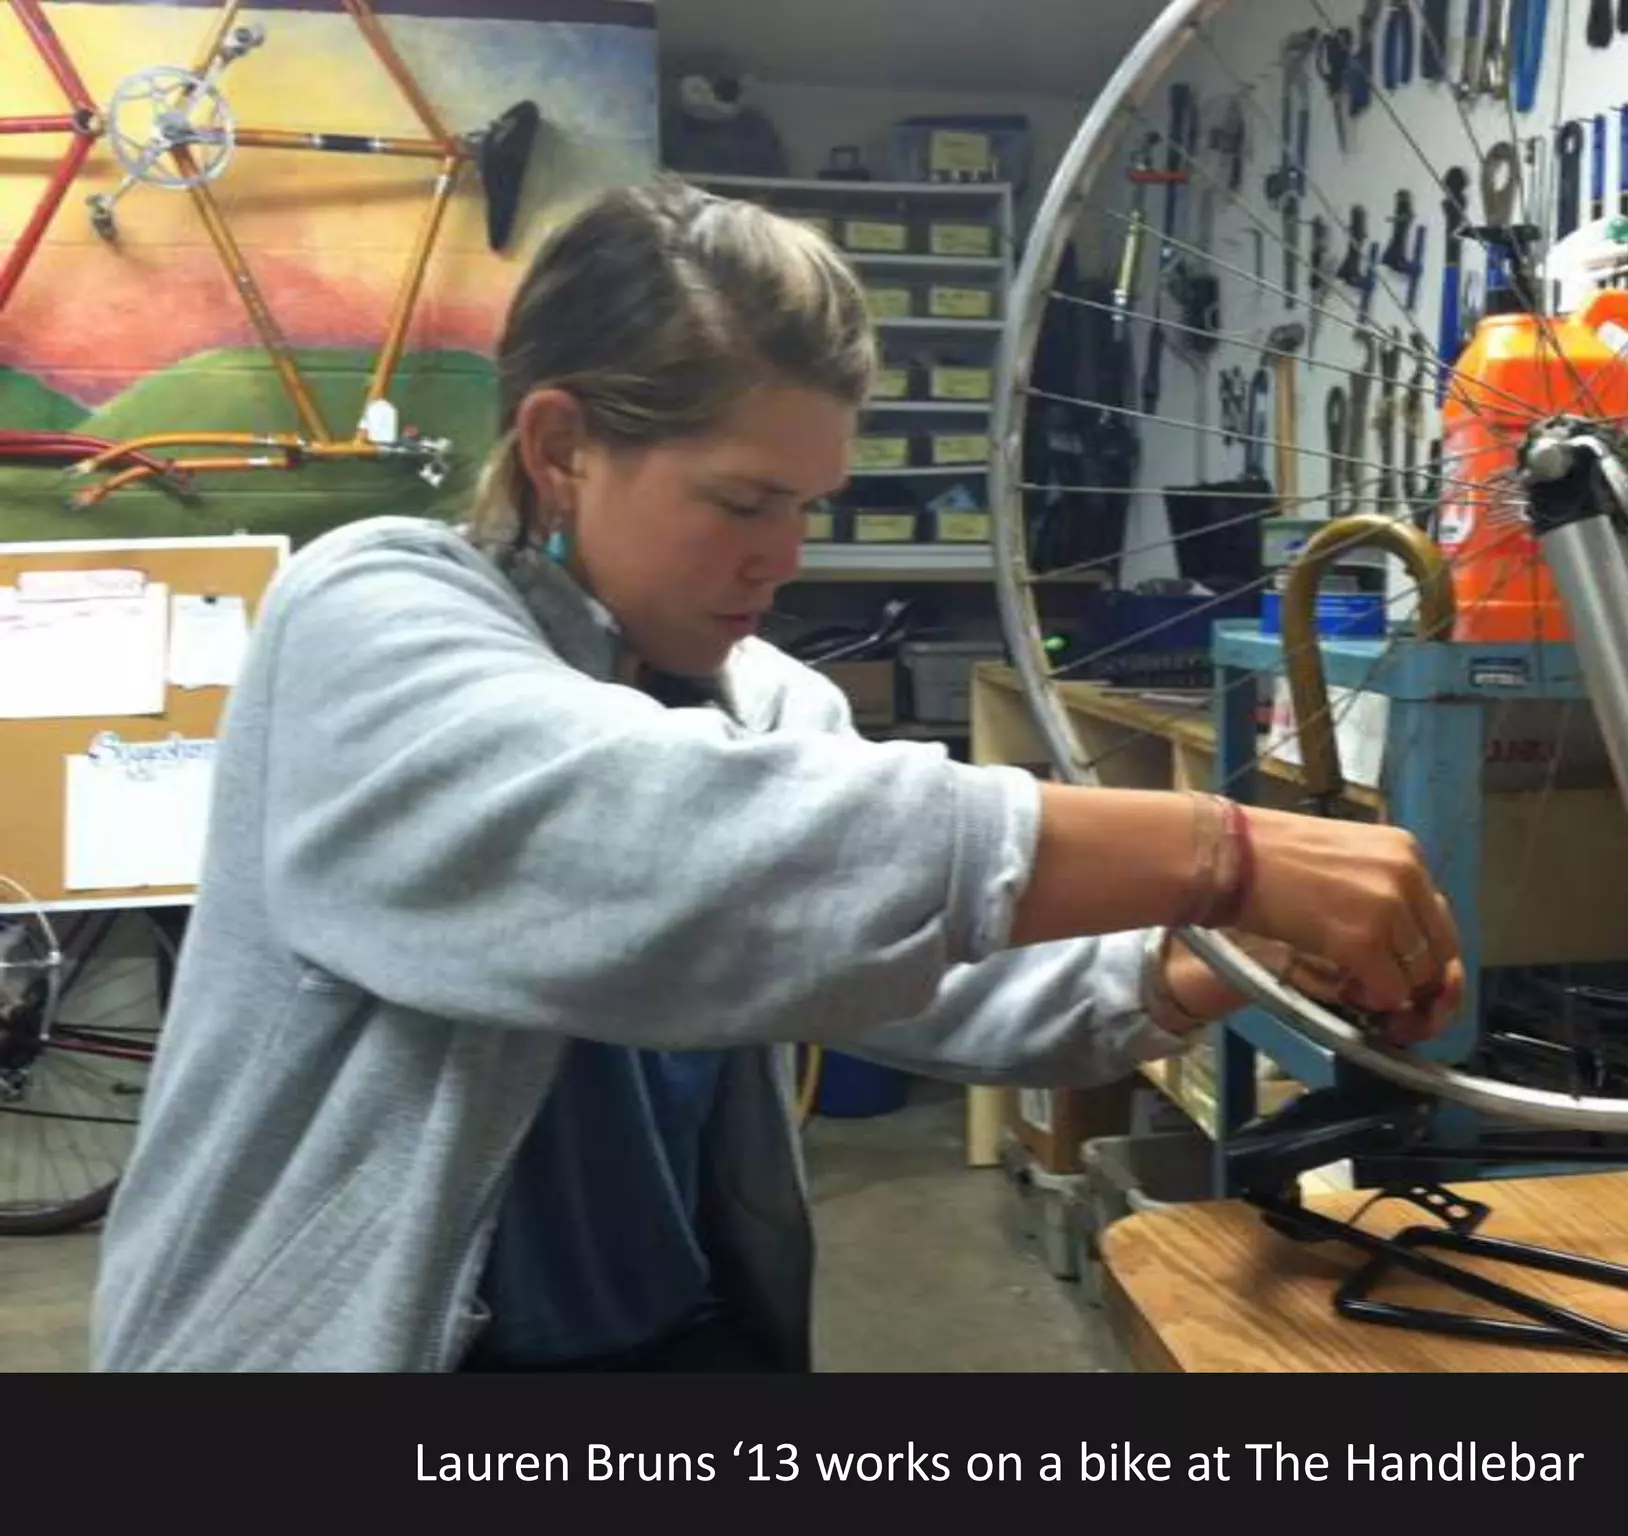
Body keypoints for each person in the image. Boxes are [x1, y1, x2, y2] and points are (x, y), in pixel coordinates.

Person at [88, 174, 1464, 1374]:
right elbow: (652, 845)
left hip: (680, 1341)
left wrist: (1209, 960)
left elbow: (891, 943)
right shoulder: (366, 619)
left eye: (807, 507)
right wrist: (1219, 849)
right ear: (562, 447)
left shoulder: (764, 701)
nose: (785, 556)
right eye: (743, 503)